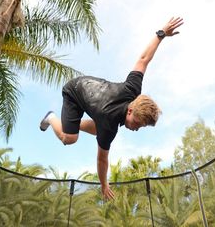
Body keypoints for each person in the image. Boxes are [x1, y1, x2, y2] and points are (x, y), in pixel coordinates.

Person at [40, 17, 184, 200]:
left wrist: (161, 33)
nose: (136, 129)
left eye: (140, 127)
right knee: (69, 138)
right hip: (73, 92)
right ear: (130, 111)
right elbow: (102, 159)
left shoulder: (132, 90)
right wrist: (104, 185)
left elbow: (143, 60)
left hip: (91, 88)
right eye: (137, 124)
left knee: (98, 127)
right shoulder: (109, 125)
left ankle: (74, 124)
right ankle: (51, 117)